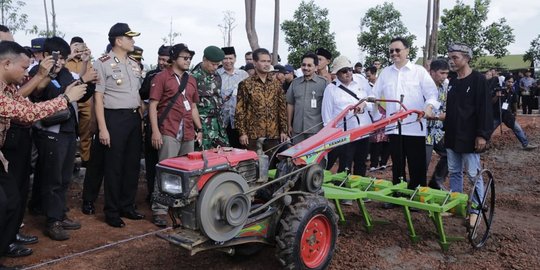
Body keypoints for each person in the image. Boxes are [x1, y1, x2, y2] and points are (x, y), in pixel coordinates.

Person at [0, 40, 86, 263]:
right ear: (7, 64)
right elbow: (28, 114)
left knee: (11, 200)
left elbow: (25, 106)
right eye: (23, 67)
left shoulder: (7, 88)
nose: (26, 73)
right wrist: (65, 98)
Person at [30, 36, 97, 241]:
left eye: (62, 58)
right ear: (46, 56)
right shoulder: (38, 73)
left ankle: (59, 214)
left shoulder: (67, 73)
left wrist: (89, 83)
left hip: (68, 131)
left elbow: (80, 95)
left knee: (64, 177)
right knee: (52, 179)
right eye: (55, 57)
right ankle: (53, 221)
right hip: (50, 132)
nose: (59, 62)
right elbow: (52, 96)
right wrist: (80, 82)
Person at [371, 37, 439, 199]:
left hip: (415, 127)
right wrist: (365, 103)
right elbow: (374, 94)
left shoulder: (419, 71)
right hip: (394, 128)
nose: (394, 54)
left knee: (417, 166)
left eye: (397, 50)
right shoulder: (386, 73)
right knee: (397, 165)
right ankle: (398, 196)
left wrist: (429, 107)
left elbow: (432, 94)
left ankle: (418, 198)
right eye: (391, 51)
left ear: (407, 51)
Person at [93, 23, 144, 228]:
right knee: (114, 167)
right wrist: (103, 128)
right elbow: (98, 98)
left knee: (132, 165)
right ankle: (112, 211)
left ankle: (127, 205)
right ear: (118, 40)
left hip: (133, 118)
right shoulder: (102, 63)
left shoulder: (134, 63)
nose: (133, 41)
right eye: (129, 38)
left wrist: (140, 120)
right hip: (114, 118)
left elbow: (138, 95)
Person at [148, 43, 203, 227]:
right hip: (168, 130)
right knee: (165, 170)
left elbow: (193, 107)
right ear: (174, 58)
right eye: (184, 58)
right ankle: (160, 210)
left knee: (187, 172)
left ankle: (181, 208)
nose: (188, 61)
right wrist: (155, 131)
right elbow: (153, 105)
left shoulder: (192, 80)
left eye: (189, 58)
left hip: (187, 131)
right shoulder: (161, 77)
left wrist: (200, 129)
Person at [444, 42, 492, 227]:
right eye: (450, 57)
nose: (451, 61)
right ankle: (457, 205)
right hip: (453, 134)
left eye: (455, 58)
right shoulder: (453, 81)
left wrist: (482, 135)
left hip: (470, 136)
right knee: (454, 172)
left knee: (473, 174)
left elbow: (485, 109)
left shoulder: (478, 80)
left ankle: (476, 209)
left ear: (467, 58)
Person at [322, 55, 372, 176]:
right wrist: (331, 136)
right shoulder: (331, 89)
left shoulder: (361, 80)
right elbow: (327, 116)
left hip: (364, 131)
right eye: (344, 71)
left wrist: (364, 104)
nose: (348, 73)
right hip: (345, 135)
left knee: (361, 164)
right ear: (337, 73)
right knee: (345, 166)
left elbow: (372, 100)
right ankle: (342, 192)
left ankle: (359, 192)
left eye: (350, 69)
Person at [236, 48, 288, 157]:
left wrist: (284, 130)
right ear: (255, 62)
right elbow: (240, 110)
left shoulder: (276, 84)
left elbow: (282, 108)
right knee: (253, 165)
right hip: (253, 135)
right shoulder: (245, 84)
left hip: (273, 134)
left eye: (268, 61)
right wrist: (242, 133)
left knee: (271, 166)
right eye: (263, 61)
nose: (266, 64)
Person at [138, 44, 170, 204]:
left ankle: (168, 197)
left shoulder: (180, 77)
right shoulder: (151, 75)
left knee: (168, 163)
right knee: (151, 163)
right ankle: (152, 194)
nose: (162, 62)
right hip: (152, 124)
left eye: (165, 60)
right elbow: (142, 95)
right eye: (160, 59)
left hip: (170, 127)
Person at [65, 36, 94, 167]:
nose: (78, 48)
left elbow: (90, 78)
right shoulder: (65, 60)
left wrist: (86, 59)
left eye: (80, 45)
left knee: (86, 131)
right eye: (75, 45)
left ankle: (86, 159)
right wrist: (70, 54)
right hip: (70, 100)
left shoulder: (87, 61)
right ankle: (69, 161)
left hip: (86, 100)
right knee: (70, 131)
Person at [192, 45, 229, 150]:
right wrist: (198, 129)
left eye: (218, 64)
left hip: (218, 125)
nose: (215, 67)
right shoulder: (193, 77)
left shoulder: (217, 77)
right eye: (213, 64)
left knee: (224, 154)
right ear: (204, 60)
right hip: (202, 126)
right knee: (203, 157)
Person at [286, 52, 326, 145]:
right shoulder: (295, 83)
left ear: (316, 67)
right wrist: (289, 125)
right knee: (298, 158)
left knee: (316, 158)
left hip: (317, 130)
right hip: (297, 130)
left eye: (309, 65)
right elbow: (290, 104)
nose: (306, 68)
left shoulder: (323, 83)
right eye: (303, 65)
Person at [491, 76, 537, 150]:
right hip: (496, 114)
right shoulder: (499, 90)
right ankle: (481, 146)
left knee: (517, 128)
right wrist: (496, 96)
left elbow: (514, 103)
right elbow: (491, 102)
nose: (510, 83)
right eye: (509, 81)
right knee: (488, 130)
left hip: (507, 114)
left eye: (512, 82)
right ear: (505, 82)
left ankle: (525, 144)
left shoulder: (513, 91)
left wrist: (515, 111)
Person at [425, 59, 450, 189]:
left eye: (446, 73)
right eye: (442, 73)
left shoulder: (444, 87)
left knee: (450, 154)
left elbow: (445, 106)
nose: (445, 76)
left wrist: (446, 114)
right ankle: (416, 191)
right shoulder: (423, 87)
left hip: (439, 131)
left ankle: (436, 181)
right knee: (422, 163)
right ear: (432, 72)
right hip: (424, 132)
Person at [218, 46, 249, 149]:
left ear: (235, 58)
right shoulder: (216, 75)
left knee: (239, 149)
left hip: (238, 121)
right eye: (225, 58)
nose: (228, 61)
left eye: (230, 58)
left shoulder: (243, 75)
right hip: (221, 120)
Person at [365, 65, 390, 171]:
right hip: (376, 116)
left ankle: (383, 162)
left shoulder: (388, 86)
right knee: (376, 140)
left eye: (369, 75)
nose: (368, 78)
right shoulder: (369, 87)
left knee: (387, 139)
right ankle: (374, 164)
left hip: (388, 115)